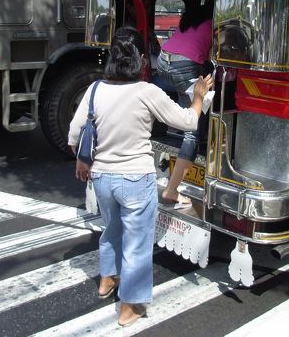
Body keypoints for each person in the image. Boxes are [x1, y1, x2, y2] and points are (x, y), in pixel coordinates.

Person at [68, 26, 214, 327]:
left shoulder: (95, 90)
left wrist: (84, 161)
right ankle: (130, 306)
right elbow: (187, 122)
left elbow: (74, 135)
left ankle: (107, 280)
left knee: (111, 230)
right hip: (136, 179)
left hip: (103, 178)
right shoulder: (147, 92)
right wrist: (198, 97)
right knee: (137, 243)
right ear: (142, 59)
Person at [156, 0, 213, 208]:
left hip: (163, 63)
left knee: (185, 99)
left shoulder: (192, 17)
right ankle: (171, 191)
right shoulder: (214, 25)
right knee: (193, 133)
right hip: (183, 68)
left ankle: (176, 124)